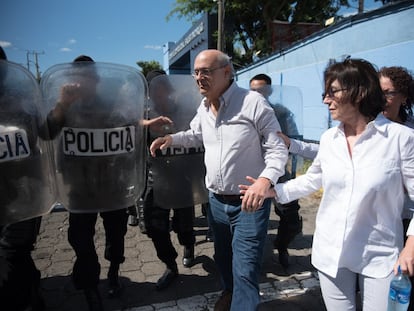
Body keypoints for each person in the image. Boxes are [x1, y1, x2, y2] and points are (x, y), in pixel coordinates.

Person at [240, 58, 414, 310]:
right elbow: (314, 178)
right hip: (330, 252)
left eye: (332, 92)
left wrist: (410, 247)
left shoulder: (402, 139)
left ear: (360, 91)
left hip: (379, 254)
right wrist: (274, 190)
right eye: (324, 93)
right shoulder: (330, 139)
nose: (325, 100)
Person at [150, 49, 288, 311]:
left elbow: (277, 148)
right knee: (223, 257)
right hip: (215, 201)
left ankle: (241, 301)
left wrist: (265, 180)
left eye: (206, 72)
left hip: (249, 201)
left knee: (245, 266)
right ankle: (228, 291)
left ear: (227, 72)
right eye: (196, 73)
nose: (199, 78)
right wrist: (171, 139)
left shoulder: (253, 103)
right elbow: (195, 134)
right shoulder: (203, 107)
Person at [46, 55, 141, 310]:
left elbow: (129, 126)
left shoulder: (110, 103)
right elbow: (47, 131)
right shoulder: (66, 106)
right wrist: (62, 104)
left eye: (87, 77)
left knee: (116, 235)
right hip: (79, 187)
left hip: (112, 183)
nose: (82, 82)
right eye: (77, 77)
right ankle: (89, 286)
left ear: (96, 80)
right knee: (81, 240)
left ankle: (113, 273)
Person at [0, 46, 47, 311]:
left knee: (14, 252)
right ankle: (32, 292)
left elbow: (47, 133)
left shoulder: (21, 100)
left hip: (23, 193)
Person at [143, 69, 196, 291]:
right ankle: (170, 265)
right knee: (155, 227)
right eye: (154, 89)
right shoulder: (144, 114)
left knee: (184, 223)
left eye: (162, 88)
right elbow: (121, 124)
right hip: (156, 180)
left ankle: (188, 246)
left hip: (182, 177)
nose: (159, 94)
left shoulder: (184, 111)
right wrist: (145, 125)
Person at [249, 73, 303, 268]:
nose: (258, 94)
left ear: (269, 91)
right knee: (251, 218)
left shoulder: (281, 112)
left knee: (291, 219)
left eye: (262, 90)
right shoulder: (243, 112)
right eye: (254, 90)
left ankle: (282, 246)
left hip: (279, 170)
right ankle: (251, 256)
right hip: (253, 172)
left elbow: (293, 138)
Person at [379, 65, 414, 310]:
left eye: (389, 93)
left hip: (407, 221)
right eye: (378, 92)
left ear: (403, 96)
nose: (383, 99)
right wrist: (294, 145)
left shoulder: (410, 132)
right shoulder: (371, 128)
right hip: (379, 219)